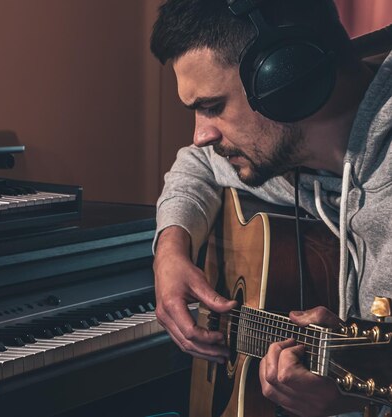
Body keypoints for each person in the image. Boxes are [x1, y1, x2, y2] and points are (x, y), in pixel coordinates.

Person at [149, 0, 392, 416]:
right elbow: (195, 165)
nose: (202, 135)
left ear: (287, 78)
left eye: (212, 106)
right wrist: (170, 249)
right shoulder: (285, 153)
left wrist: (349, 396)